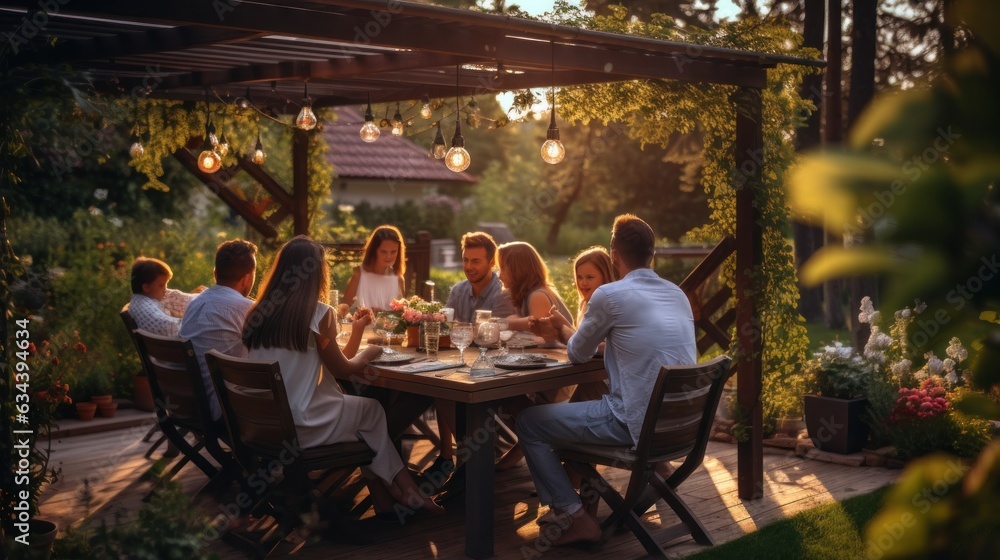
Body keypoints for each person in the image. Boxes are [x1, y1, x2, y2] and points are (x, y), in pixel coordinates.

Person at [518, 214, 696, 546]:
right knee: (578, 411)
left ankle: (575, 516)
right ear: (651, 254)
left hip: (633, 424)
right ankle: (604, 498)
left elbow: (577, 354)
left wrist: (559, 329)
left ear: (614, 255)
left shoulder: (611, 296)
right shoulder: (677, 294)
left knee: (529, 422)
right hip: (682, 428)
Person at [242, 236, 442, 517]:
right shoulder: (318, 313)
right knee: (372, 411)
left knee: (365, 415)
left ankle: (387, 495)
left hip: (264, 425)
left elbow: (331, 358)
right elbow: (343, 370)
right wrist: (370, 352)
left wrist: (357, 331)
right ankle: (404, 490)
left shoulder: (258, 312)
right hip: (304, 425)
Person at [178, 239, 258, 421]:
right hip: (226, 410)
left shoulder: (195, 303)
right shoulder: (248, 310)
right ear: (247, 278)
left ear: (215, 274)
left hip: (192, 404)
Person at [568, 246, 618, 404]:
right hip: (593, 379)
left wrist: (561, 327)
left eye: (590, 277)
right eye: (579, 277)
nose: (583, 283)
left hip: (609, 384)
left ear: (605, 277)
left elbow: (588, 345)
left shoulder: (607, 305)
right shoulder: (585, 305)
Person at [495, 241, 573, 333]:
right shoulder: (527, 294)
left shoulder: (538, 296)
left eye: (502, 269)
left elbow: (537, 330)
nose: (499, 276)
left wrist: (507, 323)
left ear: (517, 270)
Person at [443, 231, 515, 322]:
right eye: (465, 260)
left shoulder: (503, 294)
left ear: (492, 262)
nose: (468, 267)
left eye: (475, 261)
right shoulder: (457, 291)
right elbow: (445, 327)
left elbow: (499, 331)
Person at [128, 257, 205, 337]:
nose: (165, 289)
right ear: (146, 287)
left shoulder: (140, 299)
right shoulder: (146, 308)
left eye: (166, 284)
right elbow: (170, 325)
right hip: (177, 347)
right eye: (161, 285)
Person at [342, 225, 406, 312]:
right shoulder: (359, 274)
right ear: (373, 251)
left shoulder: (398, 278)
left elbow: (400, 315)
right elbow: (344, 309)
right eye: (383, 251)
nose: (389, 256)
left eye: (393, 252)